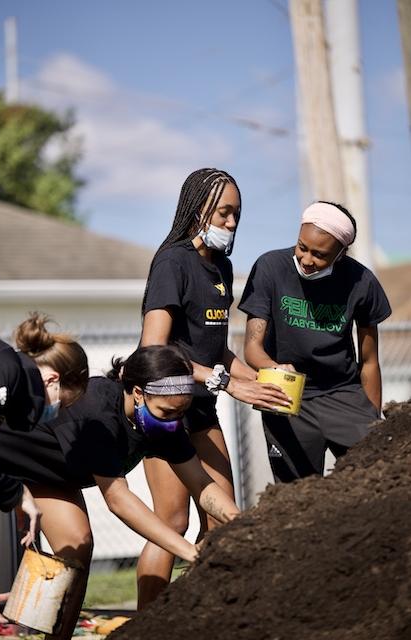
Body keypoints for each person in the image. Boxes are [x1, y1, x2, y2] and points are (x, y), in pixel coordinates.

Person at [0, 344, 240, 640]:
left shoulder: (163, 423)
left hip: (46, 476)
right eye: (168, 412)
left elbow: (201, 483)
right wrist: (190, 553)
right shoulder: (98, 412)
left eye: (180, 412)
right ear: (139, 393)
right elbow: (118, 499)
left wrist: (240, 521)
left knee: (76, 544)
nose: (173, 421)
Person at [138, 167, 290, 608]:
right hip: (163, 407)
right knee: (171, 521)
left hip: (201, 407)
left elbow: (216, 350)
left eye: (237, 215)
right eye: (223, 213)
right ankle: (146, 625)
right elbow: (155, 347)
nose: (231, 223)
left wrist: (263, 381)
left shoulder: (221, 267)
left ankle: (203, 617)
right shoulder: (172, 261)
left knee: (223, 520)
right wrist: (227, 384)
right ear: (198, 208)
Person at [239, 200, 392, 483]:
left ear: (342, 253)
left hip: (344, 394)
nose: (307, 260)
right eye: (302, 247)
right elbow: (252, 347)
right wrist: (274, 367)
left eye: (320, 255)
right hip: (288, 397)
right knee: (296, 498)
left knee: (375, 479)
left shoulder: (362, 282)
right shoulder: (270, 268)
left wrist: (372, 420)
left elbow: (369, 361)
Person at [0, 312, 89, 624]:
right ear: (53, 380)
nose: (56, 413)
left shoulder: (5, 370)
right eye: (63, 404)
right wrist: (18, 494)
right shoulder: (2, 375)